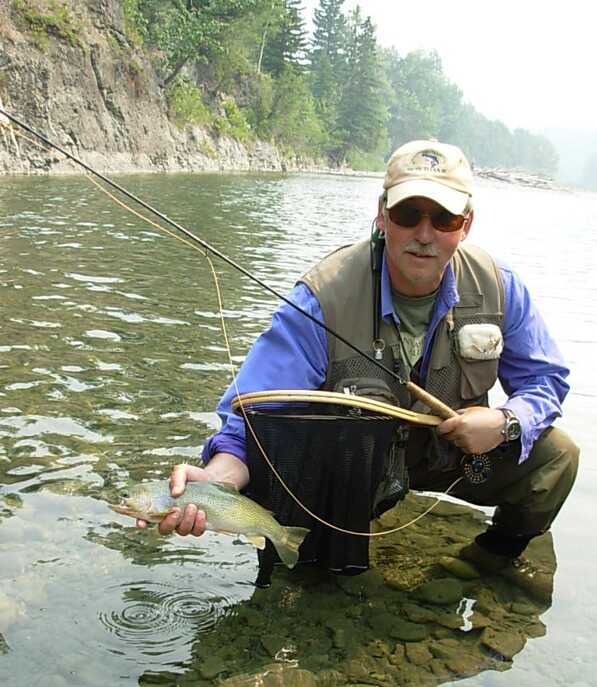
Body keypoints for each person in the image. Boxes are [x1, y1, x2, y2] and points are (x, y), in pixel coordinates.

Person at [138, 139, 579, 564]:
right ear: (382, 215)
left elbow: (546, 380)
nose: (424, 234)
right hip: (352, 468)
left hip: (453, 456)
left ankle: (488, 562)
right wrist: (217, 481)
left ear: (466, 224)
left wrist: (506, 423)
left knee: (557, 457)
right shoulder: (322, 298)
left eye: (443, 218)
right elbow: (251, 414)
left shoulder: (499, 288)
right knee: (313, 567)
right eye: (409, 214)